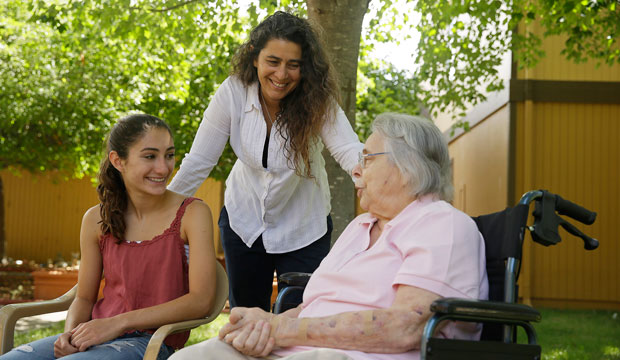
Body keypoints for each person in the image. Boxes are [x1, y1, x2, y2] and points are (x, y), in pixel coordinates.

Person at [168, 113, 489, 360]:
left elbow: (407, 327)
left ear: (408, 167)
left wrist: (283, 329)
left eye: (367, 158)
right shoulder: (360, 227)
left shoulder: (441, 224)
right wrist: (264, 324)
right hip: (296, 349)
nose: (357, 170)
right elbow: (313, 306)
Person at [168, 11, 363, 311]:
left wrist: (376, 180)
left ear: (305, 67)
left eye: (293, 65)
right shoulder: (233, 92)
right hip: (242, 224)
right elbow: (198, 162)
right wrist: (159, 217)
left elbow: (349, 149)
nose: (282, 74)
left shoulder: (317, 99)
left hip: (304, 229)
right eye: (273, 61)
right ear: (254, 57)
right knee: (246, 319)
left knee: (298, 323)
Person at [0, 114, 217, 360]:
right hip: (96, 335)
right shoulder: (96, 219)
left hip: (151, 344)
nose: (164, 168)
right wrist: (70, 335)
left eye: (169, 155)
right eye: (149, 156)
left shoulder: (192, 213)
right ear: (118, 160)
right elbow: (83, 297)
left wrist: (117, 323)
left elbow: (201, 301)